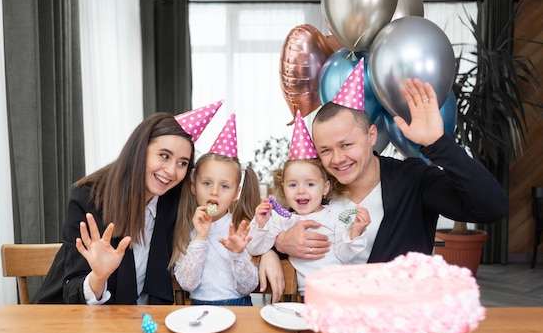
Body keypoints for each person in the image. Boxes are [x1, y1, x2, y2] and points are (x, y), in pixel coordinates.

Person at [259, 60, 509, 301]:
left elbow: (491, 206)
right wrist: (273, 248)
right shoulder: (317, 189)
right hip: (326, 319)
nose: (337, 159)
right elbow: (281, 229)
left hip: (396, 324)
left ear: (371, 135)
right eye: (325, 150)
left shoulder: (413, 179)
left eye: (346, 145)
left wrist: (439, 145)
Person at [32, 101, 223, 305]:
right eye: (164, 156)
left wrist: (262, 252)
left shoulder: (174, 199)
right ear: (140, 150)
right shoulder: (89, 199)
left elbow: (222, 215)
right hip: (73, 320)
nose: (171, 171)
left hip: (138, 323)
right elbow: (72, 290)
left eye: (182, 163)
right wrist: (99, 276)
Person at [246, 112, 370, 294]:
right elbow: (254, 247)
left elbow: (345, 254)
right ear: (284, 187)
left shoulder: (336, 214)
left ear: (325, 187)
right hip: (308, 295)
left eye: (310, 184)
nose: (301, 191)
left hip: (343, 291)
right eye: (293, 184)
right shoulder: (281, 220)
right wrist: (261, 224)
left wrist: (355, 232)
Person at [171, 114, 261, 306]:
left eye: (224, 186)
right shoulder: (186, 231)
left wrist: (237, 254)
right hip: (200, 309)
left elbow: (249, 287)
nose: (214, 191)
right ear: (194, 186)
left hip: (240, 308)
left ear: (236, 193)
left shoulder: (241, 229)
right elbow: (187, 284)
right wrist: (200, 238)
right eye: (206, 183)